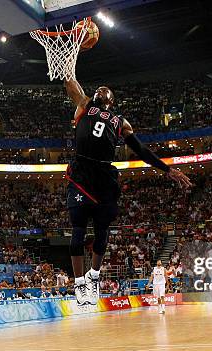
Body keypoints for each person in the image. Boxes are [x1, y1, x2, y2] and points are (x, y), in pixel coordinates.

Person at [64, 78, 192, 306]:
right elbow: (71, 85)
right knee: (79, 230)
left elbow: (140, 149)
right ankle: (80, 282)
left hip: (98, 176)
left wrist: (166, 169)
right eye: (100, 91)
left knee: (99, 231)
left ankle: (92, 277)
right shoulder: (91, 107)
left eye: (105, 92)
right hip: (84, 173)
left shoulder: (107, 116)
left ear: (107, 101)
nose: (102, 92)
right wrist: (67, 68)